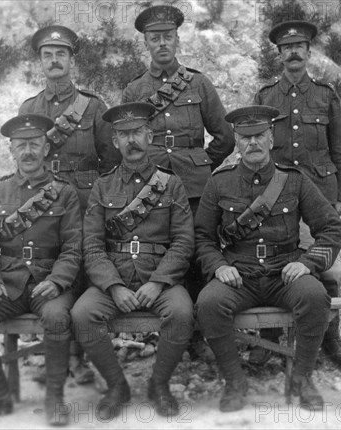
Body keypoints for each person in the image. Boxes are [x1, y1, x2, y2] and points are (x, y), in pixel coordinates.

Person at [195, 105, 341, 411]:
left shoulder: (294, 180)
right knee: (208, 304)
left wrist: (307, 263)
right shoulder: (219, 182)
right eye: (245, 136)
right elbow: (202, 237)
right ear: (236, 140)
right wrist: (219, 266)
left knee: (315, 296)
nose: (253, 143)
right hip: (240, 275)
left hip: (283, 274)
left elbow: (331, 228)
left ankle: (302, 379)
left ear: (271, 136)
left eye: (259, 135)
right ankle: (235, 381)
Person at [71, 102, 195, 419]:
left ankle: (159, 385)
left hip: (160, 280)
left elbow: (183, 241)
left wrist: (157, 283)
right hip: (117, 279)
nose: (132, 141)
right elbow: (93, 244)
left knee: (181, 313)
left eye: (137, 132)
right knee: (83, 314)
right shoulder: (102, 186)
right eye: (124, 135)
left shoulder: (171, 184)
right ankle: (117, 387)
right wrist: (113, 287)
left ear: (150, 136)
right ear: (115, 142)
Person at [0, 114, 82, 426]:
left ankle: (54, 398)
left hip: (49, 282)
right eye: (21, 146)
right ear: (12, 151)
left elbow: (73, 247)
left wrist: (57, 282)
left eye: (34, 144)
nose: (27, 151)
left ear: (46, 149)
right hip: (10, 283)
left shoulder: (64, 192)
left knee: (57, 317)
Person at [20, 24, 121, 383]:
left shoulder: (92, 107)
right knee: (50, 272)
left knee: (79, 273)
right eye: (47, 55)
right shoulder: (30, 108)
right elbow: (25, 159)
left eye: (61, 54)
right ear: (40, 63)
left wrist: (98, 198)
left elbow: (111, 160)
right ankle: (57, 361)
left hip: (85, 200)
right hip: (46, 203)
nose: (54, 61)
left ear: (72, 60)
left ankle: (79, 362)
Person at [252, 20, 341, 368]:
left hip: (319, 198)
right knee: (270, 262)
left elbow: (340, 150)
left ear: (308, 53)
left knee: (325, 267)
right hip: (276, 199)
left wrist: (338, 198)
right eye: (286, 48)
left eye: (299, 47)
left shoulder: (326, 95)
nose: (293, 53)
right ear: (278, 54)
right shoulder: (266, 98)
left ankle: (331, 341)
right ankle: (268, 340)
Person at [122, 4, 234, 215]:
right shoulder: (133, 90)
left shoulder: (199, 83)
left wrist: (202, 165)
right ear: (146, 43)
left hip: (194, 187)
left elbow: (226, 137)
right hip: (147, 185)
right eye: (155, 39)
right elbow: (124, 143)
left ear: (177, 40)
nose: (162, 44)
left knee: (197, 242)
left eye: (168, 37)